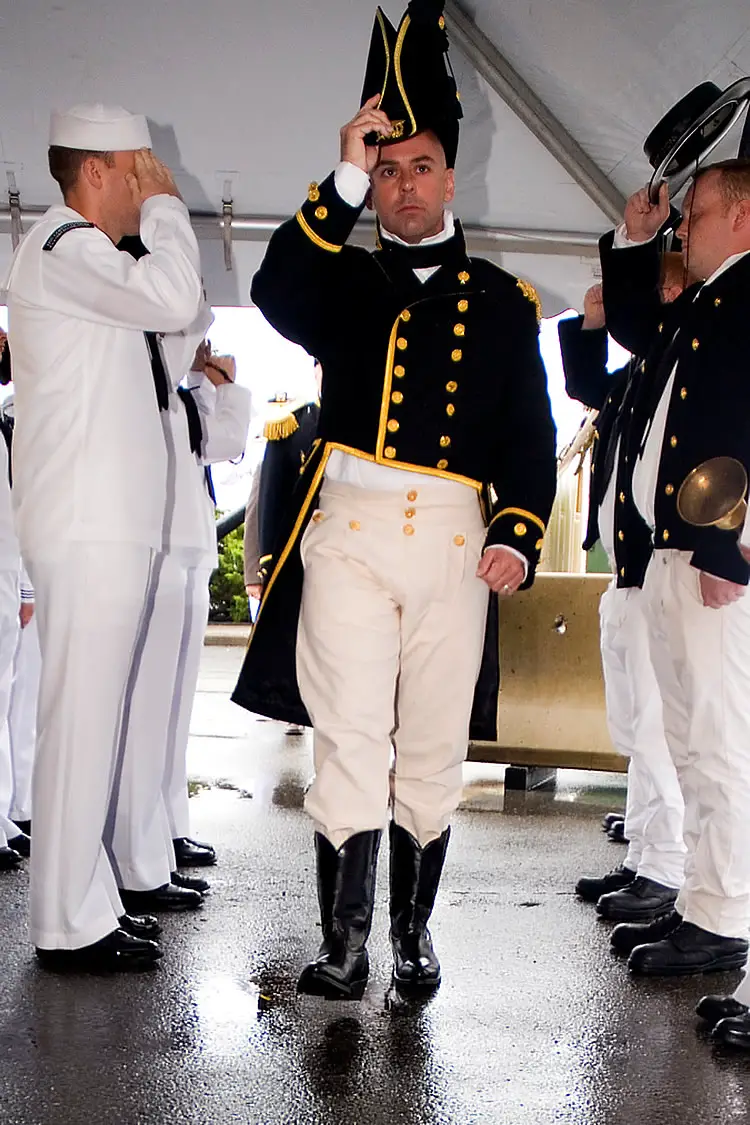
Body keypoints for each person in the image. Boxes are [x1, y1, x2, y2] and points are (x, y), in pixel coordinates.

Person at [232, 0, 557, 1000]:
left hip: (454, 541)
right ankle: (343, 944)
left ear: (450, 178)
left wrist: (519, 530)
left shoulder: (504, 303)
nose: (403, 187)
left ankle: (412, 936)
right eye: (388, 169)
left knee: (430, 745)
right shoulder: (346, 279)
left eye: (419, 167)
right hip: (352, 531)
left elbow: (529, 437)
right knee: (349, 731)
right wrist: (339, 174)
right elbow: (273, 289)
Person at [3, 104, 203, 971]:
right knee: (80, 720)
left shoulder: (85, 260)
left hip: (104, 523)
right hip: (87, 525)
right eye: (137, 172)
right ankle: (65, 919)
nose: (146, 188)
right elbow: (176, 295)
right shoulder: (63, 247)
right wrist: (169, 214)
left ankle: (82, 902)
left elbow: (172, 328)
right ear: (94, 173)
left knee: (92, 718)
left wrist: (154, 217)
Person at [597, 160, 750, 990]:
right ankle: (702, 899)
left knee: (721, 743)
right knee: (689, 742)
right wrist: (636, 237)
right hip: (670, 550)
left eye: (694, 215)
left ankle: (725, 914)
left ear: (743, 216)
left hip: (713, 559)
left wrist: (734, 547)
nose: (682, 229)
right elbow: (631, 327)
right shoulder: (707, 300)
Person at [107, 300, 251, 912]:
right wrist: (207, 371)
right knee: (143, 715)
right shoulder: (136, 384)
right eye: (195, 337)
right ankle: (135, 861)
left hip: (186, 553)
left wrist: (222, 383)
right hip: (155, 552)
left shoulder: (176, 393)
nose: (204, 347)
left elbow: (223, 440)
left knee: (169, 714)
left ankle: (161, 836)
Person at [560, 267, 686, 926]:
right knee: (635, 727)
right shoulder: (639, 374)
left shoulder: (675, 361)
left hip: (656, 568)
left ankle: (667, 866)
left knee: (658, 728)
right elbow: (584, 384)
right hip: (625, 573)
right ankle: (643, 853)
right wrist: (592, 321)